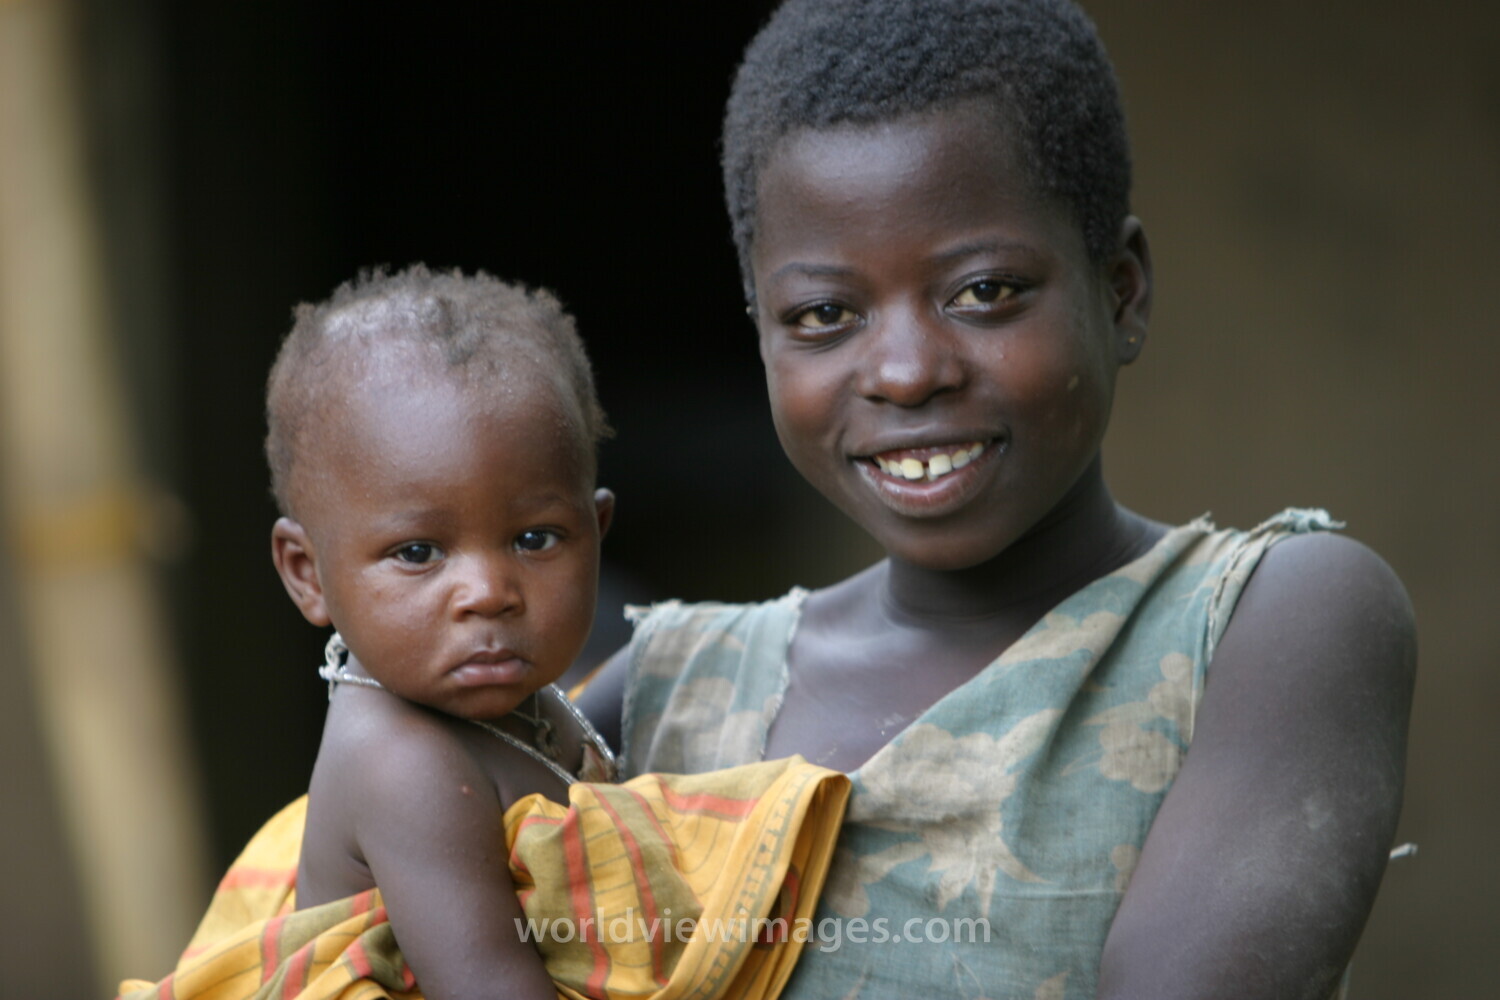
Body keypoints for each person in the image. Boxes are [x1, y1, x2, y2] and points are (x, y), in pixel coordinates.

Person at [577, 1, 1417, 998]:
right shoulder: (665, 691)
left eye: (983, 292)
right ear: (761, 329)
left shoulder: (1268, 623)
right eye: (824, 314)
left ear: (1122, 292)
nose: (902, 371)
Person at [118, 267, 849, 1000]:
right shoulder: (402, 764)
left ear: (596, 534)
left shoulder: (527, 702)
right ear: (307, 574)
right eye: (417, 553)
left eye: (534, 538)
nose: (488, 593)